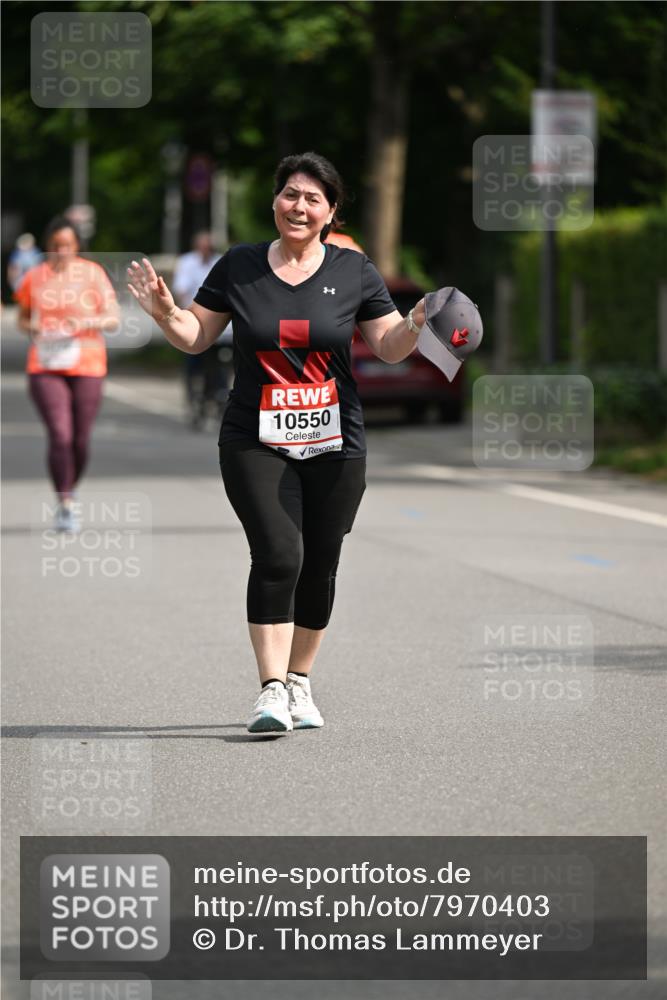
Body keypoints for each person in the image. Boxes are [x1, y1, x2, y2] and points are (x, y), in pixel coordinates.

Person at [127, 151, 426, 734]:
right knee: (278, 554)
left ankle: (299, 682)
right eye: (290, 193)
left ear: (330, 213)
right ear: (274, 202)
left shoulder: (354, 272)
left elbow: (388, 346)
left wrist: (413, 323)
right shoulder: (239, 266)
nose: (299, 206)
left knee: (320, 564)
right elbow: (195, 336)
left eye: (313, 198)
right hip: (254, 436)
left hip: (336, 440)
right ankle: (269, 691)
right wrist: (166, 312)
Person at [15, 216, 120, 532]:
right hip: (45, 366)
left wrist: (85, 324)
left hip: (87, 363)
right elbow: (21, 320)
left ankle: (69, 486)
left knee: (80, 439)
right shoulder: (35, 277)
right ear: (48, 247)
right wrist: (36, 326)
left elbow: (112, 318)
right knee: (60, 434)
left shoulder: (92, 274)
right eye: (56, 246)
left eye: (68, 245)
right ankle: (66, 503)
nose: (61, 251)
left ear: (77, 247)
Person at [173, 232, 227, 427]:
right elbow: (181, 289)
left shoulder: (220, 262)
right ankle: (194, 400)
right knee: (193, 365)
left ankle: (218, 398)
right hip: (194, 321)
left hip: (219, 325)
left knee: (219, 366)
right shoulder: (187, 263)